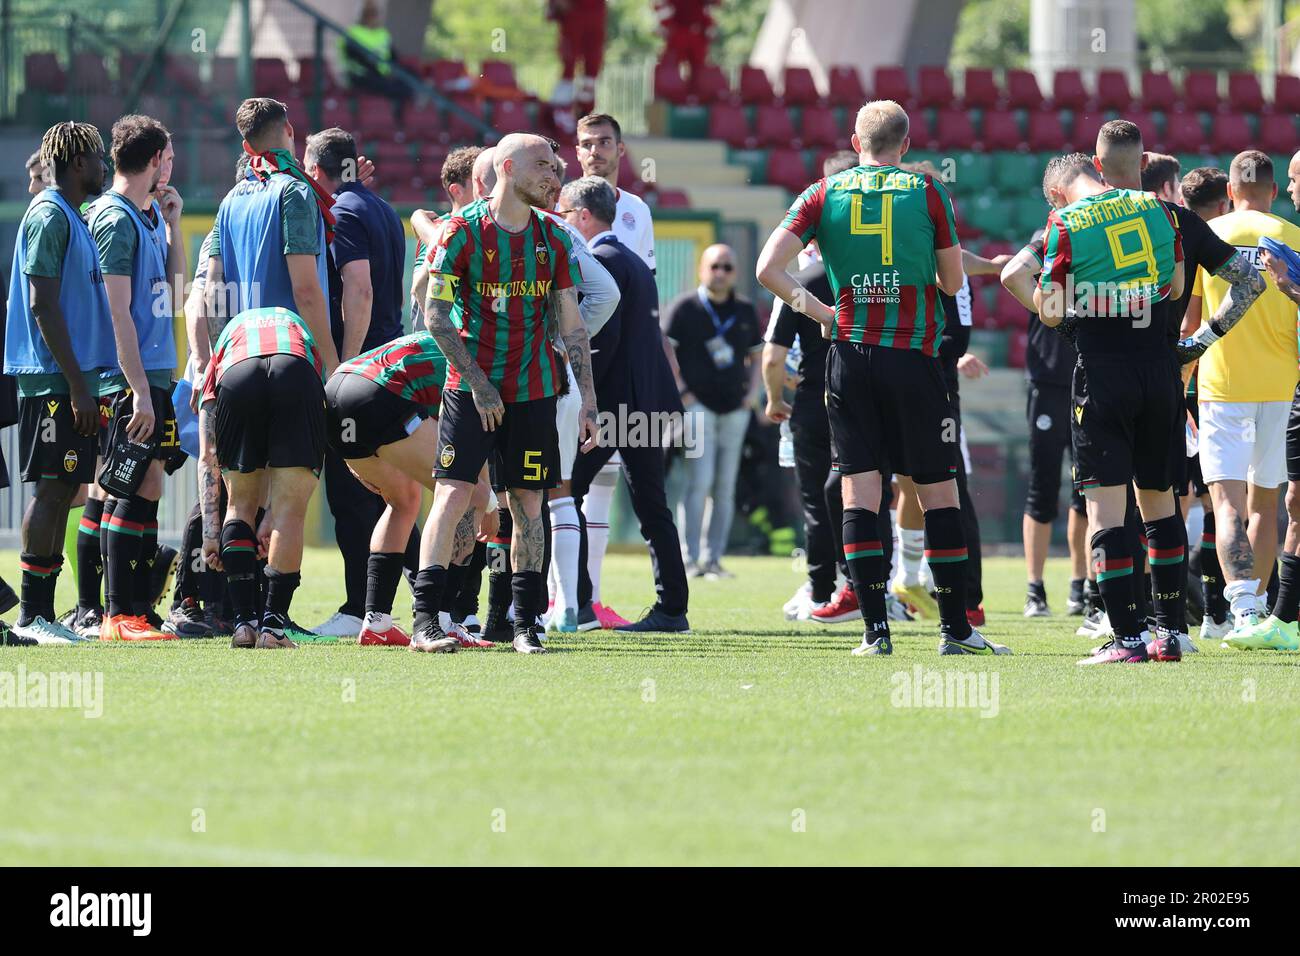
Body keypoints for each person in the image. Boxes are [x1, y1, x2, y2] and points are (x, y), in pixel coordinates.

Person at [757, 99, 1008, 657]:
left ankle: (875, 633)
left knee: (859, 493)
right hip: (916, 361)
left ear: (855, 141)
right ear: (907, 145)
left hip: (850, 360)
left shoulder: (822, 194)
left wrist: (823, 315)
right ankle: (955, 631)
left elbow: (767, 270)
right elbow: (948, 282)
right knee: (939, 493)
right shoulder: (927, 191)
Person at [419, 133, 598, 654]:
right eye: (543, 166)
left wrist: (587, 399)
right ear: (508, 168)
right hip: (470, 390)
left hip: (536, 390)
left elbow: (572, 326)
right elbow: (435, 317)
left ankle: (526, 624)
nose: (555, 177)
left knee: (528, 503)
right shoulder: (460, 233)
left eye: (556, 167)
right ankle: (427, 619)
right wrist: (479, 384)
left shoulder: (555, 238)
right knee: (452, 495)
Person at [559, 175, 691, 632]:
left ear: (581, 216)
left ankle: (577, 604)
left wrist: (583, 399)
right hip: (648, 402)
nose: (559, 220)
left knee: (565, 495)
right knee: (653, 508)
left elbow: (603, 342)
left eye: (563, 212)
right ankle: (673, 607)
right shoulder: (632, 260)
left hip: (616, 407)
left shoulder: (601, 261)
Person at [4, 122, 117, 645]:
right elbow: (41, 304)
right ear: (77, 164)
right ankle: (33, 615)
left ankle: (43, 615)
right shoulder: (50, 215)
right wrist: (74, 385)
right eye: (97, 156)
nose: (103, 165)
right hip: (52, 381)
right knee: (52, 489)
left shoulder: (73, 215)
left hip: (74, 381)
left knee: (66, 485)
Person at [303, 126, 413, 638]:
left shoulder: (345, 210)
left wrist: (344, 367)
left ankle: (356, 608)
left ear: (320, 168)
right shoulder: (381, 208)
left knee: (352, 495)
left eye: (308, 164)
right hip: (392, 367)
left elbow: (360, 291)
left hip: (364, 370)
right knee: (392, 491)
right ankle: (430, 603)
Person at [1185, 150, 1300, 639]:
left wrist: (1180, 387)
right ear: (1274, 192)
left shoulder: (1209, 238)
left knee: (1225, 499)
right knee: (1266, 505)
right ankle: (1253, 618)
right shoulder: (1294, 237)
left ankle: (1245, 611)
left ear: (1229, 192)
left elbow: (1191, 325)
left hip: (1221, 385)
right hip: (1281, 386)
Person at [84, 115, 186, 642]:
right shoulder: (116, 218)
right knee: (122, 482)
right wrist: (140, 391)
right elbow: (118, 311)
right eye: (167, 158)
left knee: (145, 482)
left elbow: (174, 292)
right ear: (152, 162)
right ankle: (115, 614)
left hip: (153, 371)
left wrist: (172, 225)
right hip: (128, 379)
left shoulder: (145, 216)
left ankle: (134, 613)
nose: (171, 167)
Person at [324, 331, 494, 647]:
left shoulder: (442, 334)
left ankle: (376, 622)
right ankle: (443, 621)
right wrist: (491, 505)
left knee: (403, 500)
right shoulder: (487, 358)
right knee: (472, 495)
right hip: (377, 396)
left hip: (336, 392)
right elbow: (468, 434)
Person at [196, 307, 328, 649]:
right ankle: (273, 629)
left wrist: (211, 532)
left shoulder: (226, 341)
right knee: (291, 511)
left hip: (237, 375)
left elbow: (208, 453)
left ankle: (243, 625)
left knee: (239, 505)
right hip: (296, 368)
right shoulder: (299, 327)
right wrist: (274, 513)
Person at [763, 150, 858, 620]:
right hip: (869, 390)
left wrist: (772, 398)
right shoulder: (877, 268)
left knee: (818, 496)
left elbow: (773, 355)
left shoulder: (803, 278)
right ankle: (873, 586)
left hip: (814, 400)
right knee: (869, 490)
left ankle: (823, 588)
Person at [573, 112, 652, 628]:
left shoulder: (636, 211)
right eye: (586, 143)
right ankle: (560, 598)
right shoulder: (565, 210)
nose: (595, 151)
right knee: (562, 482)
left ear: (621, 150)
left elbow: (644, 292)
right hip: (577, 362)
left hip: (619, 362)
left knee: (603, 478)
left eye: (604, 142)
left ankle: (591, 597)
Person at [1001, 166, 1090, 620]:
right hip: (1049, 376)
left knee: (1085, 488)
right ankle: (1035, 587)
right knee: (1041, 485)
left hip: (1087, 373)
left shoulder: (1095, 232)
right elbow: (1016, 274)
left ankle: (1080, 583)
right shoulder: (1047, 235)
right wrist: (1056, 311)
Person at [1231, 147, 1300, 650]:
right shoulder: (1289, 238)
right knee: (1290, 500)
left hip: (1236, 387)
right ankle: (1279, 620)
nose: (1294, 190)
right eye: (1290, 181)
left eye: (1299, 179)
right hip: (1288, 384)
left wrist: (1290, 288)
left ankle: (1266, 615)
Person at [664, 243, 762, 577]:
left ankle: (714, 559)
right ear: (702, 269)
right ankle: (689, 559)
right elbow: (665, 350)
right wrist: (681, 392)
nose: (720, 273)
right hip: (698, 408)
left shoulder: (745, 310)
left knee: (725, 487)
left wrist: (753, 392)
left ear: (735, 273)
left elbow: (758, 355)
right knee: (699, 482)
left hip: (735, 408)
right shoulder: (685, 307)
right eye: (714, 266)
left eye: (727, 267)